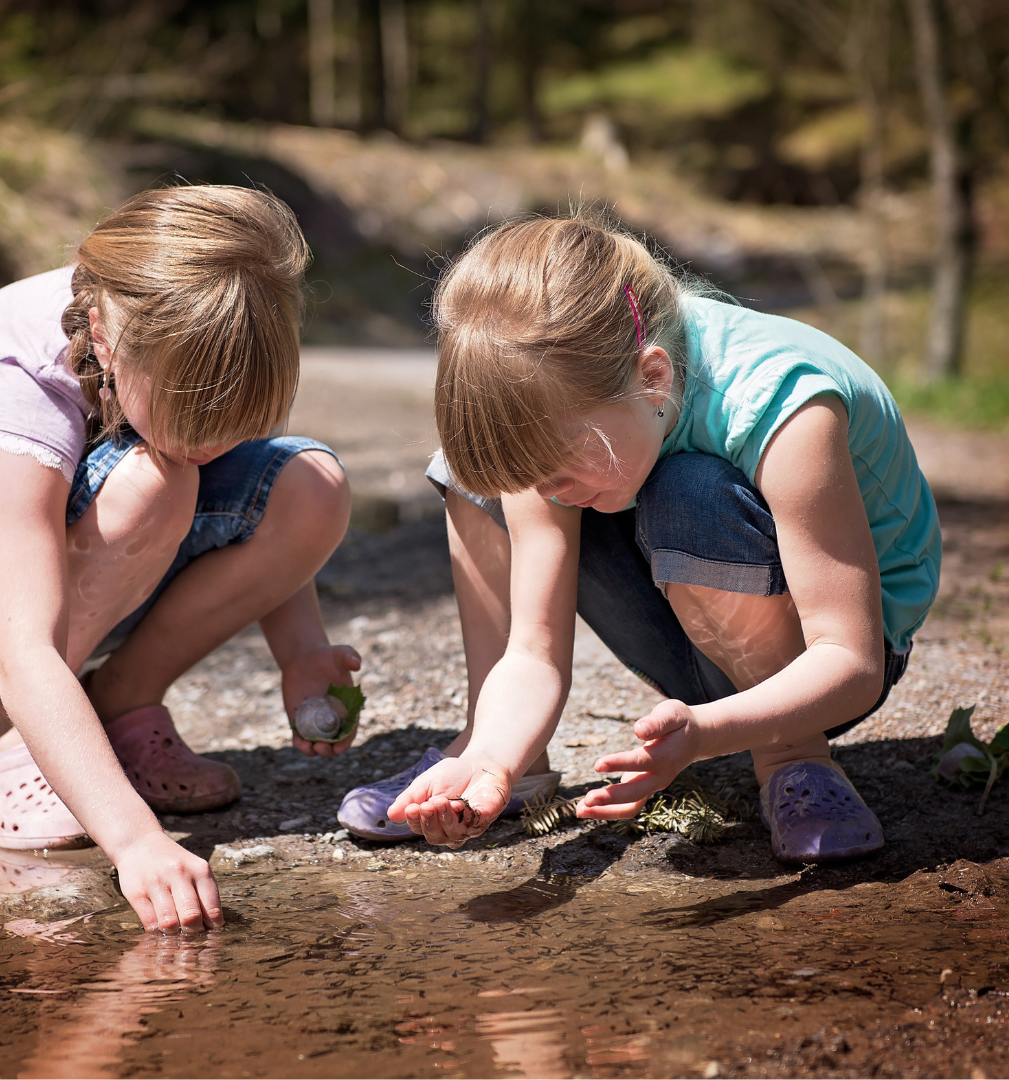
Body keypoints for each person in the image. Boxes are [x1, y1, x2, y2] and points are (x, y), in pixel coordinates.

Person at [341, 213, 941, 861]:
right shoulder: (579, 414)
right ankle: (495, 742)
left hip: (821, 671)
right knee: (473, 469)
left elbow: (852, 665)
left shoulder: (782, 401)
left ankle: (793, 759)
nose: (550, 495)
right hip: (694, 639)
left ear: (653, 376)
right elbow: (534, 653)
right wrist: (492, 758)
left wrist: (706, 733)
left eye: (564, 469)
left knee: (689, 491)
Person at [0, 185, 358, 932]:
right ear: (102, 338)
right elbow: (22, 645)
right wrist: (134, 840)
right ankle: (17, 746)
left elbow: (258, 495)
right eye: (198, 417)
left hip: (60, 585)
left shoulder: (209, 327)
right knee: (157, 482)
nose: (216, 442)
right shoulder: (19, 381)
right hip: (17, 630)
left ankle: (116, 708)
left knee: (307, 486)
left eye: (239, 422)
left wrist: (302, 650)